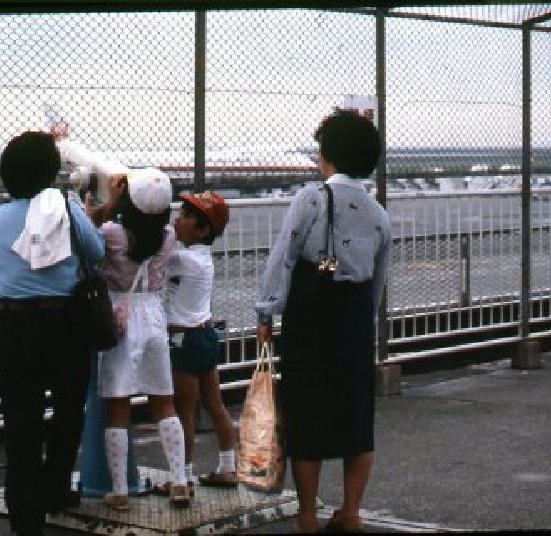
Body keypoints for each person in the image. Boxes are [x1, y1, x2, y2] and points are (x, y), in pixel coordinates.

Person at [255, 111, 391, 533]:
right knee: (356, 416)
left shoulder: (311, 199)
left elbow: (284, 255)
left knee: (307, 411)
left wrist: (266, 311)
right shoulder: (378, 213)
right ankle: (351, 513)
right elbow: (379, 278)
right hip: (354, 318)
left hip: (312, 315)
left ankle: (308, 515)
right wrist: (361, 321)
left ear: (327, 155)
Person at [0, 131, 105, 536]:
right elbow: (96, 251)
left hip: (12, 325)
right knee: (69, 412)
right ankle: (55, 487)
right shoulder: (65, 208)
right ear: (51, 172)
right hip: (64, 321)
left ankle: (24, 519)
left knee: (21, 425)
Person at [85, 165, 191, 511]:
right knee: (164, 400)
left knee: (117, 403)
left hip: (120, 315)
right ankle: (178, 480)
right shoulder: (169, 236)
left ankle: (119, 490)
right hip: (154, 315)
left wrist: (109, 199)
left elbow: (89, 230)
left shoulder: (114, 233)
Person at [155, 191, 237, 494]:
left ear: (203, 230)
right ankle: (228, 467)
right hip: (205, 335)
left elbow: (156, 257)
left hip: (184, 340)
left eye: (187, 217)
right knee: (215, 404)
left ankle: (183, 474)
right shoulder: (201, 257)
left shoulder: (184, 259)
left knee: (183, 411)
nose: (179, 219)